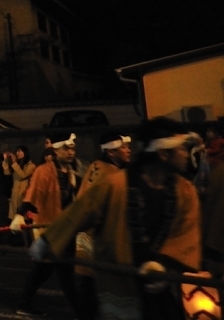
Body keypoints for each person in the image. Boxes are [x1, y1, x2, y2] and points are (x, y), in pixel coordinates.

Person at [31, 118, 202, 320]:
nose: (185, 154)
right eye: (181, 149)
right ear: (163, 154)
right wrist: (48, 240)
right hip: (119, 277)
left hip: (161, 280)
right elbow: (81, 209)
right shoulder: (115, 183)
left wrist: (163, 264)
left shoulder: (185, 190)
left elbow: (186, 233)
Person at [10, 131, 84, 317]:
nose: (70, 152)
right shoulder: (44, 171)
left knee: (49, 271)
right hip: (49, 230)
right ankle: (82, 311)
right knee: (61, 272)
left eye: (72, 148)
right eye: (66, 148)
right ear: (56, 150)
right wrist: (20, 215)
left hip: (66, 230)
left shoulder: (74, 171)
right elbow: (33, 195)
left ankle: (24, 304)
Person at [73, 132, 132, 320]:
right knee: (97, 287)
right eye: (123, 148)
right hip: (99, 238)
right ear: (111, 152)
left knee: (90, 286)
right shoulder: (109, 173)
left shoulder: (96, 168)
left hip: (88, 236)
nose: (128, 150)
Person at [3, 145, 35, 225]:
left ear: (25, 152)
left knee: (25, 220)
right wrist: (6, 161)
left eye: (20, 151)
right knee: (14, 220)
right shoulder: (17, 165)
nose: (17, 153)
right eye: (17, 151)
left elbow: (23, 175)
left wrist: (14, 163)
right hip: (15, 195)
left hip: (23, 196)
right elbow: (7, 172)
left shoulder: (31, 166)